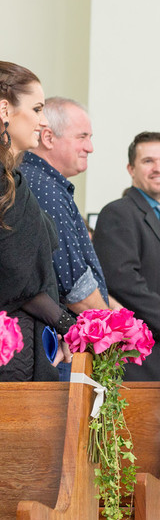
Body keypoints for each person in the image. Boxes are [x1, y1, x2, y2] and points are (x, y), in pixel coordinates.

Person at [94, 132, 160, 381]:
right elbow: (123, 282)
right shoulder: (118, 213)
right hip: (141, 357)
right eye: (148, 161)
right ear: (131, 168)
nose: (159, 168)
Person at [0, 62, 73, 381]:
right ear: (5, 108)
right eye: (37, 109)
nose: (44, 122)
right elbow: (17, 278)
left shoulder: (15, 179)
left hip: (30, 344)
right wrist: (70, 325)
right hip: (9, 348)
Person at [22, 98, 116, 316]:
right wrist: (112, 330)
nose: (90, 148)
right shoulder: (45, 189)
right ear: (48, 138)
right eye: (82, 137)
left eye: (90, 138)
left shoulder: (42, 182)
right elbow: (74, 287)